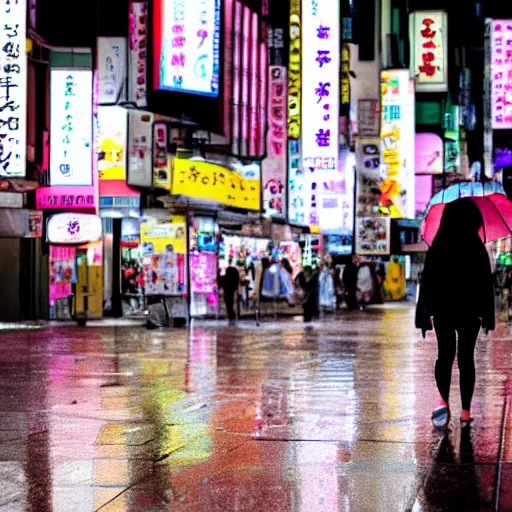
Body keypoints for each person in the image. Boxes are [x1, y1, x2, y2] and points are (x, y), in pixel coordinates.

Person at [416, 198, 495, 429]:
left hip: (443, 310)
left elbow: (427, 282)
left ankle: (443, 402)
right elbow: (485, 284)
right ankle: (465, 411)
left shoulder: (438, 246)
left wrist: (423, 315)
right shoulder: (476, 246)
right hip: (470, 312)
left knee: (445, 356)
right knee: (466, 359)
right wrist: (488, 316)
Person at [222, 259, 240, 326]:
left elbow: (223, 281)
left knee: (228, 303)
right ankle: (232, 315)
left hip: (228, 290)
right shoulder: (234, 273)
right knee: (231, 303)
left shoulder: (226, 274)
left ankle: (230, 315)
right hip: (231, 290)